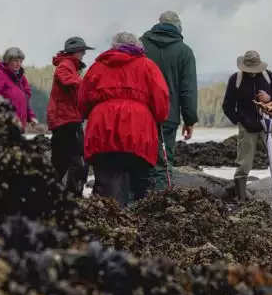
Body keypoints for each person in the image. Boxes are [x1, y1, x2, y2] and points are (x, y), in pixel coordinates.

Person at [79, 32, 170, 207]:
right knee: (140, 180)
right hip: (138, 127)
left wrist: (85, 114)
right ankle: (139, 218)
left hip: (102, 126)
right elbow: (161, 99)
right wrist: (159, 117)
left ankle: (111, 219)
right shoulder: (147, 66)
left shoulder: (98, 67)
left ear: (113, 46)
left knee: (107, 179)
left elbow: (82, 100)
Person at [140, 10, 198, 191]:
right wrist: (189, 120)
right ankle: (160, 204)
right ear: (178, 27)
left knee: (140, 159)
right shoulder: (185, 51)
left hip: (140, 114)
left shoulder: (141, 46)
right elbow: (188, 90)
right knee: (163, 163)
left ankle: (136, 205)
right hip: (168, 115)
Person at [222, 50, 272, 205]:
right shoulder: (236, 79)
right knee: (244, 163)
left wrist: (269, 98)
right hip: (247, 127)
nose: (252, 73)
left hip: (270, 124)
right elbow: (227, 106)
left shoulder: (268, 76)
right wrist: (241, 121)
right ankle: (241, 199)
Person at [47, 36, 94, 196]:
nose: (83, 55)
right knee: (78, 160)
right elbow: (65, 79)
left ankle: (49, 194)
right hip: (66, 120)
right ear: (76, 52)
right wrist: (87, 84)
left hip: (65, 120)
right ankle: (73, 195)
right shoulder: (65, 65)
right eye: (82, 52)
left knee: (61, 162)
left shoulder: (69, 65)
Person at [0, 47, 37, 131]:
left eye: (20, 61)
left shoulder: (21, 77)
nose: (19, 64)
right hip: (5, 127)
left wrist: (31, 116)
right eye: (15, 61)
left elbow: (26, 99)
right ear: (7, 61)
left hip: (20, 126)